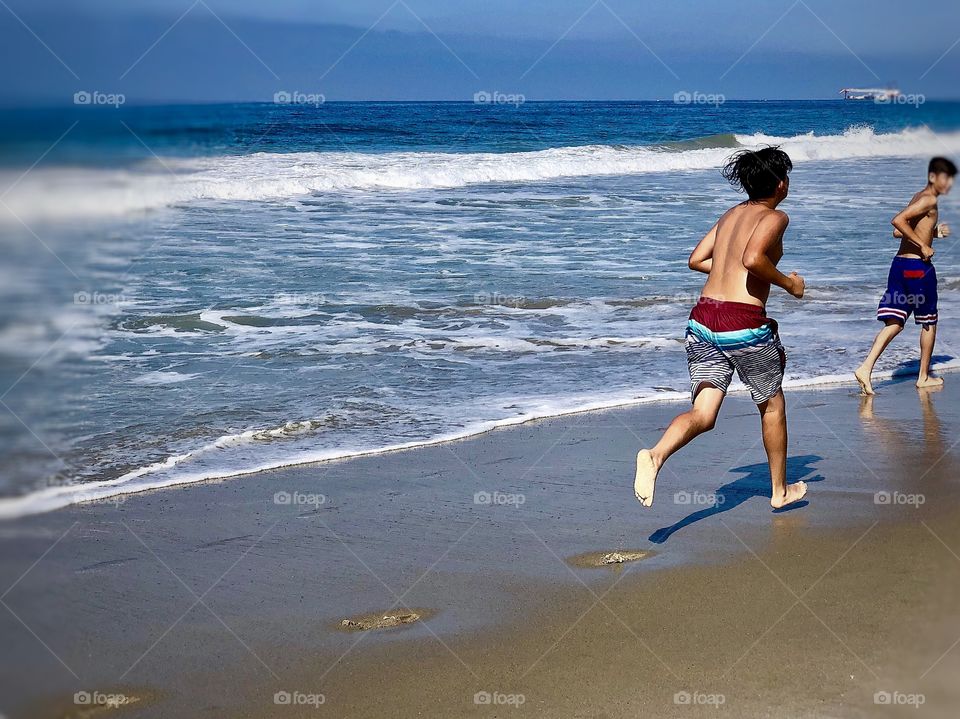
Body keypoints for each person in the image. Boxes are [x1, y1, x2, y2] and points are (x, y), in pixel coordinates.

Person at [634, 146, 808, 510]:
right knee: (772, 404)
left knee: (704, 414)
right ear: (780, 185)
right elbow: (753, 258)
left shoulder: (730, 214)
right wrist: (789, 285)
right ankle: (779, 491)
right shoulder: (775, 217)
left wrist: (725, 274)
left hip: (703, 319)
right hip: (741, 322)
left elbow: (696, 260)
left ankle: (655, 454)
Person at [855, 157, 956, 395]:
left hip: (899, 267)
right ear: (933, 177)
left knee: (895, 322)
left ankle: (865, 367)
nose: (949, 183)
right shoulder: (929, 199)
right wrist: (923, 246)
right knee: (929, 322)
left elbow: (896, 232)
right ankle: (923, 377)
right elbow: (897, 221)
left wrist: (932, 234)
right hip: (917, 271)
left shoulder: (918, 196)